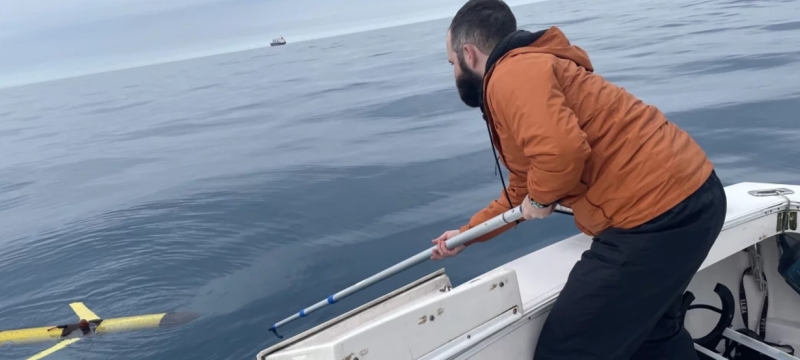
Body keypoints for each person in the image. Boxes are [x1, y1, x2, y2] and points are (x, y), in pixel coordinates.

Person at [430, 0, 728, 359]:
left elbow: (561, 152)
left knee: (566, 349)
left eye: (451, 64)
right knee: (652, 334)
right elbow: (521, 189)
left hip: (654, 217)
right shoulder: (533, 67)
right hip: (691, 195)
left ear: (468, 53)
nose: (454, 74)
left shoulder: (510, 75)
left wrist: (541, 201)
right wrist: (468, 234)